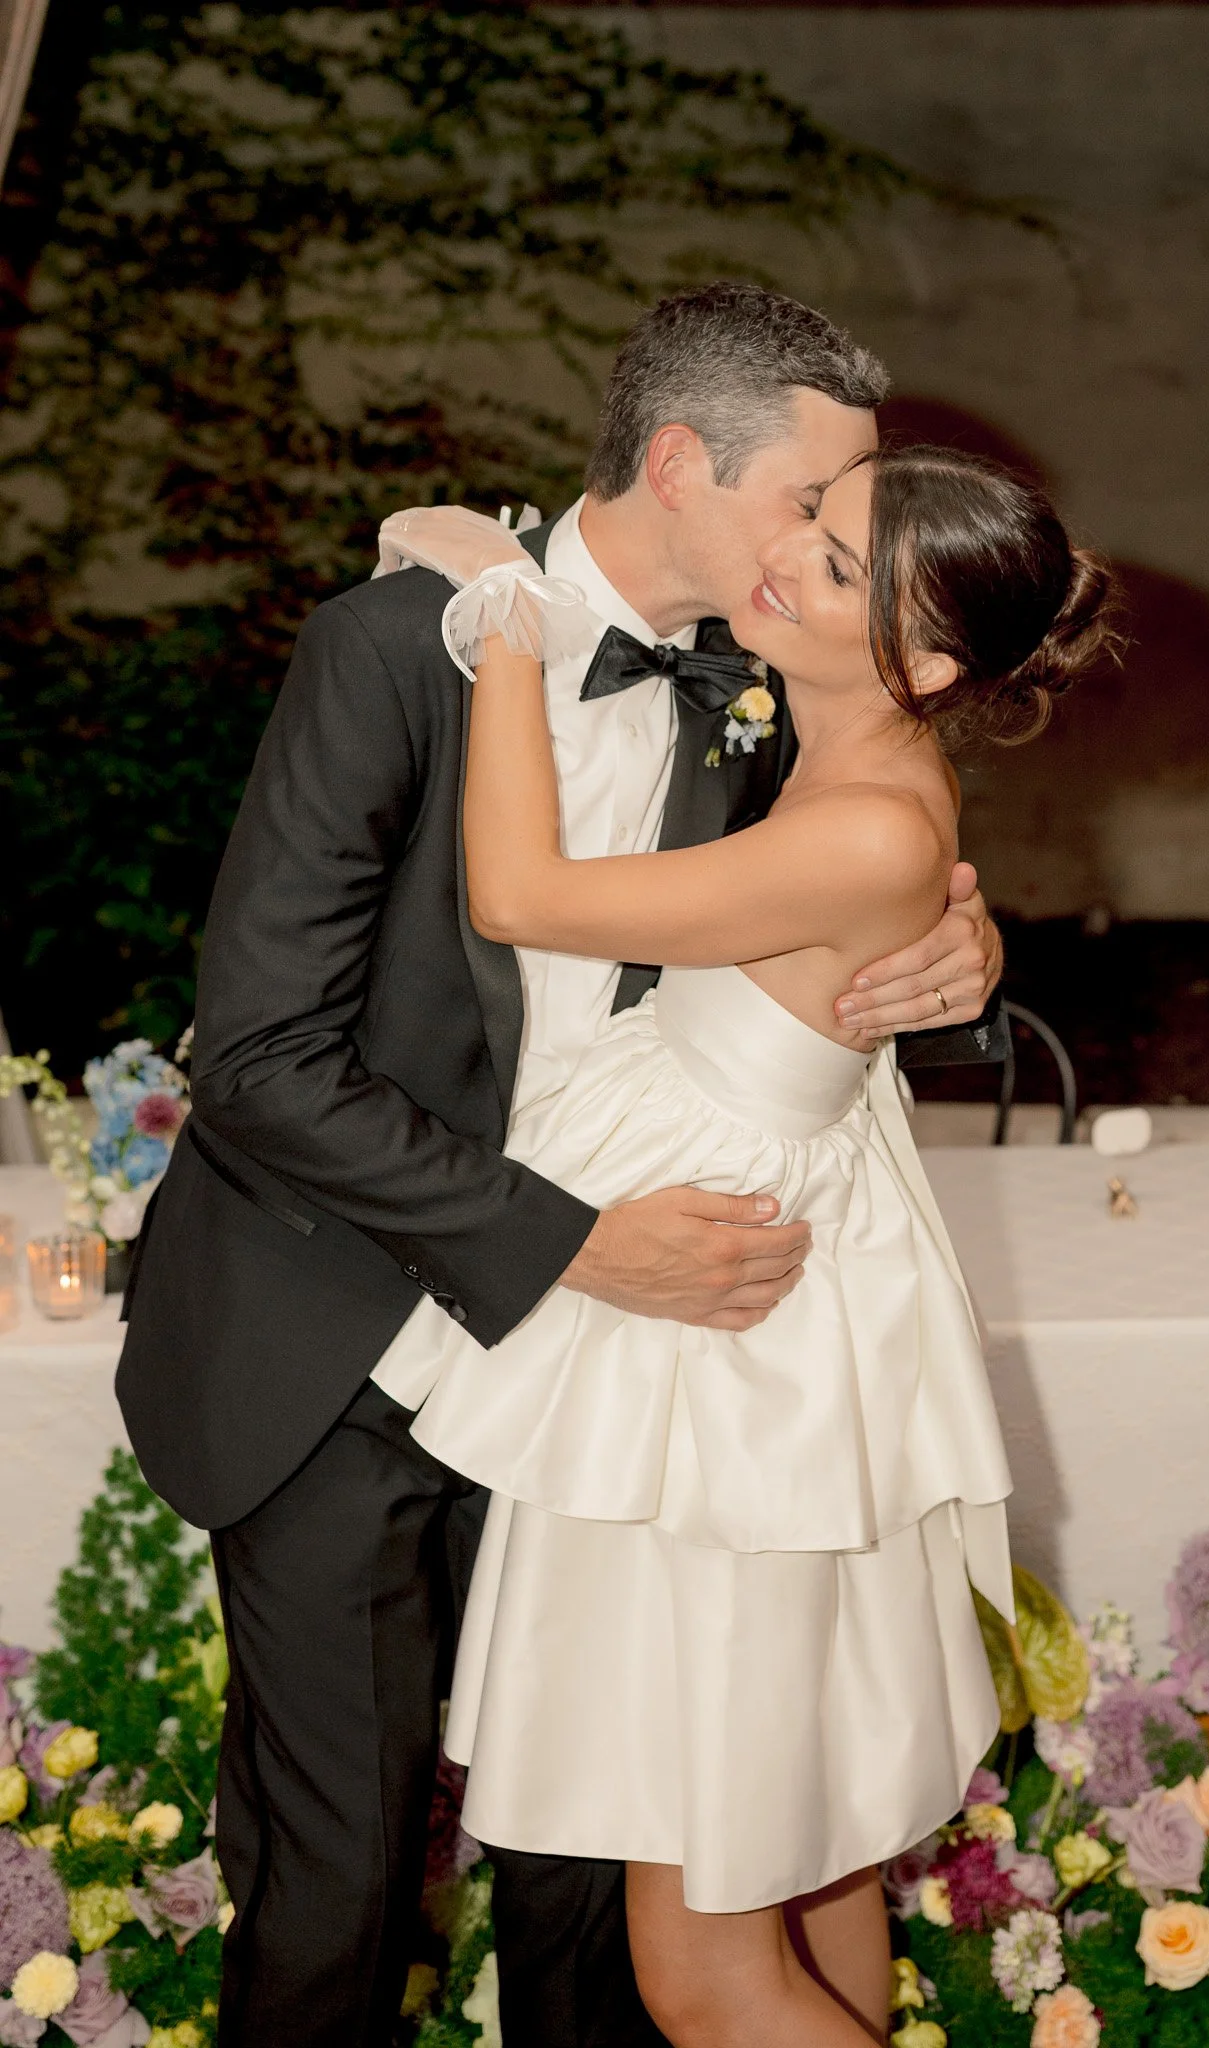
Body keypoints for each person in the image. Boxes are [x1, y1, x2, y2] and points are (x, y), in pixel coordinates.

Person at [114, 283, 1005, 2048]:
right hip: (348, 1344)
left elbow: (853, 861)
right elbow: (265, 1062)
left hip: (620, 1381)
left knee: (595, 1887)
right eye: (813, 505)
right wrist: (571, 1242)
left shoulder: (770, 671)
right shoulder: (398, 647)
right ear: (683, 463)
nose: (830, 543)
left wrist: (964, 942)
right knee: (342, 1877)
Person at [379, 439, 1117, 2048]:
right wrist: (964, 941)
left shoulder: (870, 825)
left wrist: (504, 609)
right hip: (754, 1307)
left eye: (841, 572)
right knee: (811, 1867)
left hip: (720, 1368)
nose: (786, 565)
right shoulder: (849, 755)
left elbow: (518, 891)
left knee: (704, 1965)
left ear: (924, 660)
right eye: (812, 526)